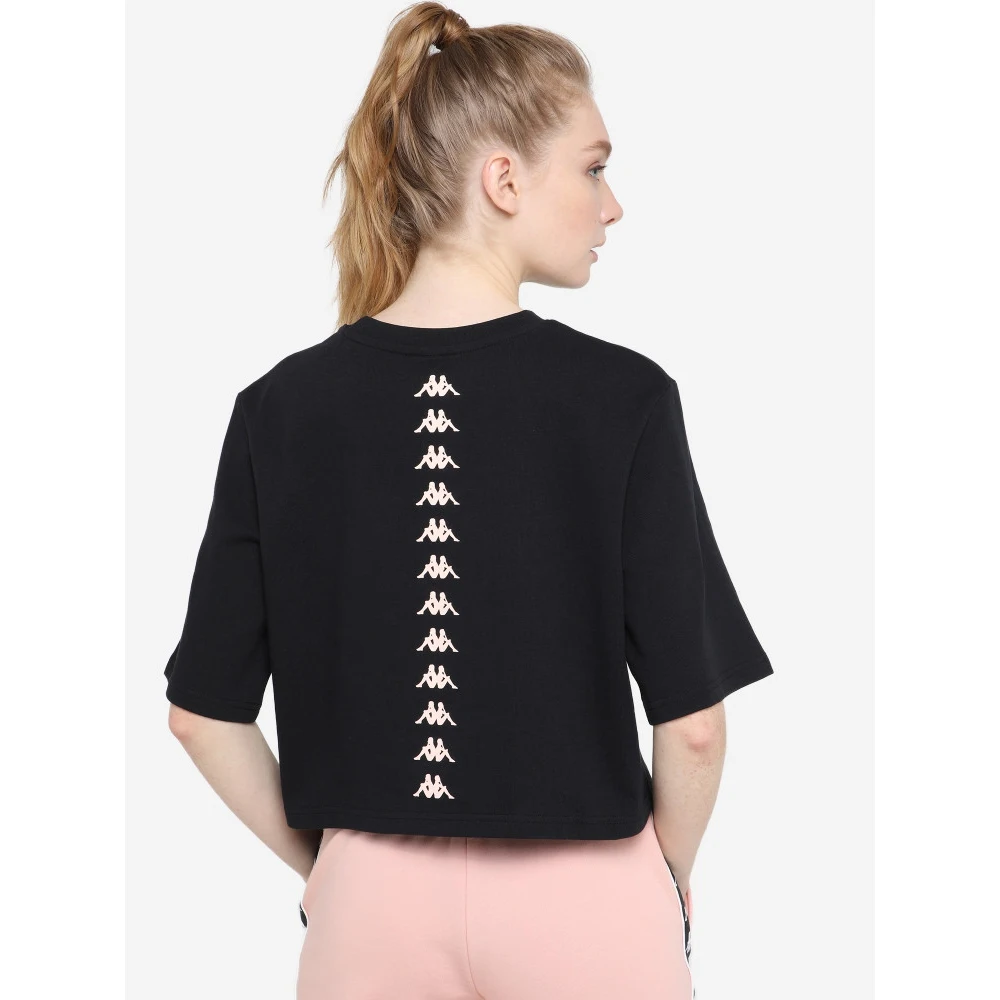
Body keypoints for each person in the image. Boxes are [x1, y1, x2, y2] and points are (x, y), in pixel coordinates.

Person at [163, 4, 774, 998]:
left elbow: (201, 715)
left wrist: (336, 873)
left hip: (368, 905)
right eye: (593, 168)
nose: (613, 205)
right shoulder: (623, 397)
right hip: (588, 899)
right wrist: (664, 879)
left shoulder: (277, 407)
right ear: (503, 180)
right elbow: (693, 723)